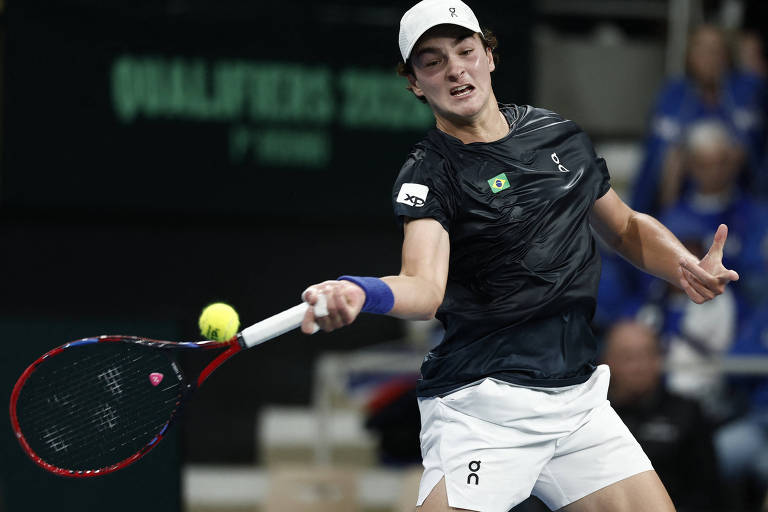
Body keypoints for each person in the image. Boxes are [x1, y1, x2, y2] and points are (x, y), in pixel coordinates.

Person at [300, 1, 739, 510]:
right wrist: (360, 290)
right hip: (485, 406)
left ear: (489, 56)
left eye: (465, 51)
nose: (455, 68)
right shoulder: (430, 172)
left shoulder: (559, 136)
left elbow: (623, 228)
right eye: (433, 61)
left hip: (576, 400)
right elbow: (423, 288)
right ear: (416, 84)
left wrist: (682, 267)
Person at [631, 24, 767, 215]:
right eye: (700, 49)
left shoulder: (749, 93)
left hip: (741, 207)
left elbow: (757, 152)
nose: (708, 58)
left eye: (715, 50)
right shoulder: (672, 96)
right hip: (684, 206)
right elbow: (651, 164)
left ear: (727, 55)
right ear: (689, 55)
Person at [601, 320, 722, 512]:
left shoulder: (688, 413)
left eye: (646, 355)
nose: (638, 367)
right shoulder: (592, 417)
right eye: (628, 358)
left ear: (659, 359)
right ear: (607, 362)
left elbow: (708, 492)